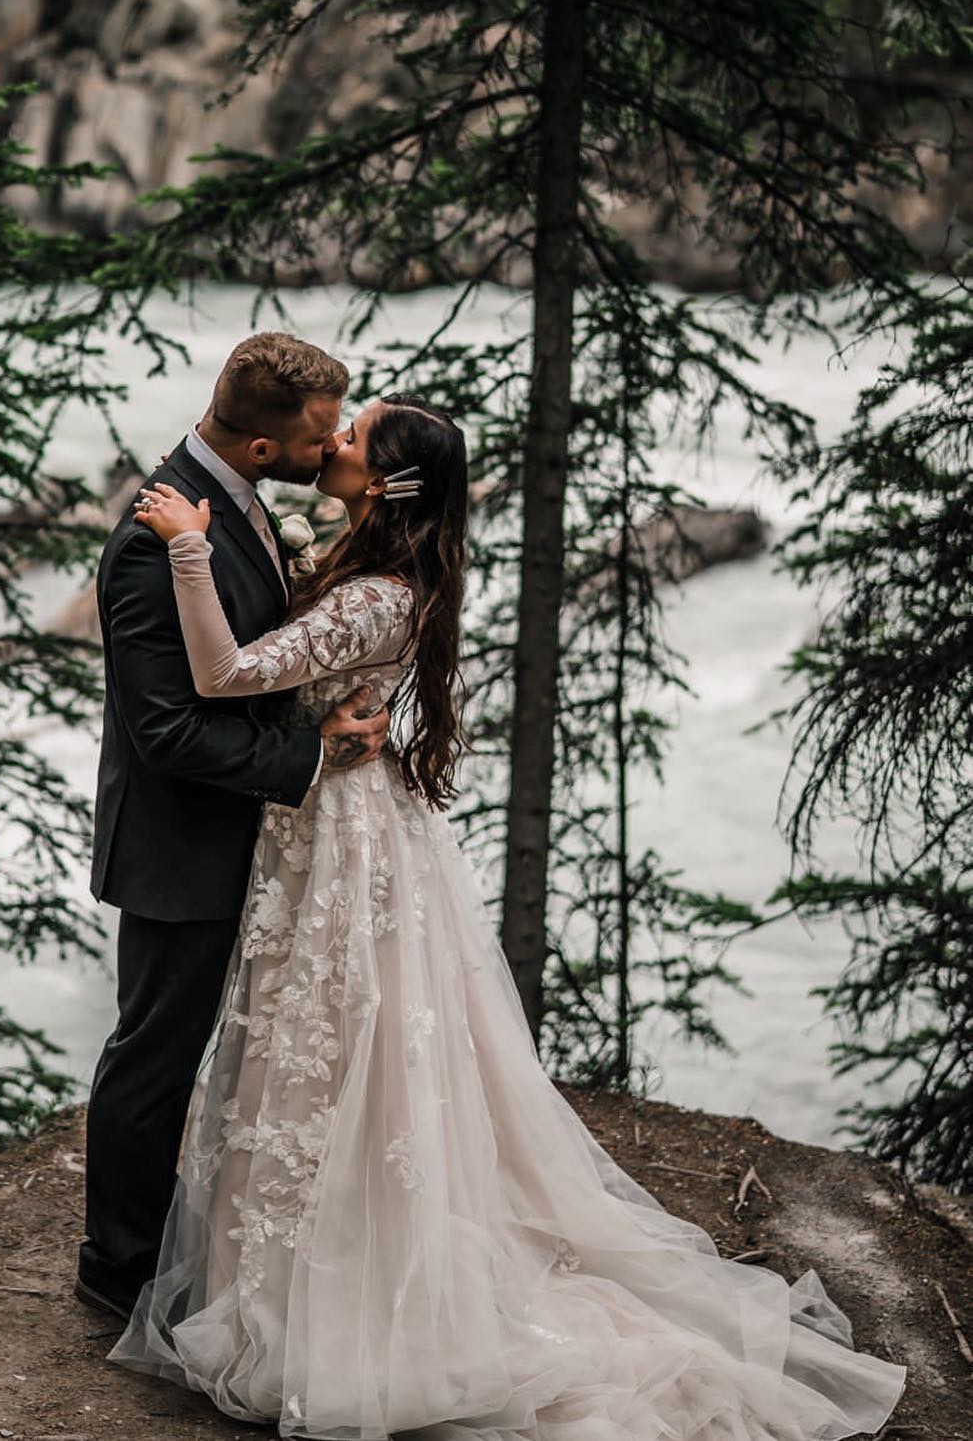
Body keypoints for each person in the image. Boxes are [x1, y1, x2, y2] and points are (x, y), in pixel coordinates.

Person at [106, 391, 907, 1441]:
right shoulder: (365, 559)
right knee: (306, 1042)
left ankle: (340, 1280)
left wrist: (188, 552)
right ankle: (280, 1256)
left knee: (342, 1042)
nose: (331, 440)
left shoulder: (382, 594)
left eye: (350, 436)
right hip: (319, 822)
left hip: (339, 832)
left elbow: (223, 671)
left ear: (388, 480)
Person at [76, 332, 392, 1322]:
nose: (333, 442)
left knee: (194, 1051)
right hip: (179, 847)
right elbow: (164, 728)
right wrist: (309, 758)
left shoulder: (235, 504)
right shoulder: (150, 539)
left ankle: (175, 1236)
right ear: (262, 448)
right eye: (318, 434)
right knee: (153, 1055)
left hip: (239, 836)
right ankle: (115, 1266)